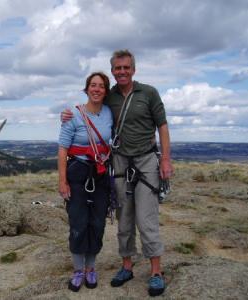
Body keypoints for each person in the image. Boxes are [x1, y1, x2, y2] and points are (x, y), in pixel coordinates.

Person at [61, 50, 173, 297]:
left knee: (146, 218)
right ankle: (127, 266)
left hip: (145, 161)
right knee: (124, 219)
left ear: (133, 69)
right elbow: (89, 110)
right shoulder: (109, 97)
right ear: (113, 71)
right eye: (117, 68)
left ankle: (156, 272)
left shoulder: (149, 93)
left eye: (126, 67)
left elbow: (162, 126)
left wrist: (165, 159)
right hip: (120, 163)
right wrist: (67, 115)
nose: (122, 71)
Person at [58, 72, 113, 292]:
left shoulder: (109, 112)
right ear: (86, 89)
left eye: (101, 86)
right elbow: (62, 150)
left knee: (97, 223)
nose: (97, 89)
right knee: (78, 223)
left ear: (106, 91)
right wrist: (63, 182)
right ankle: (78, 269)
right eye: (93, 85)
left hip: (100, 175)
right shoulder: (73, 115)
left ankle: (91, 268)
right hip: (78, 173)